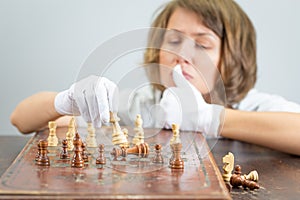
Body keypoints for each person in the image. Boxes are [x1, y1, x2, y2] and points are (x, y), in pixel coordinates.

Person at [10, 0, 300, 156]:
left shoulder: (256, 105)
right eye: (173, 41)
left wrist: (210, 118)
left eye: (203, 43)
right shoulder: (146, 106)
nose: (184, 54)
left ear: (233, 55)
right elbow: (21, 119)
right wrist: (66, 99)